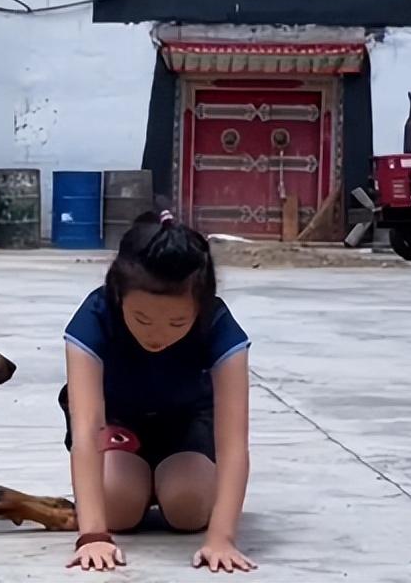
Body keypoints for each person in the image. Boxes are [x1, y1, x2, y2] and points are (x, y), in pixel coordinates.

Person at [59, 210, 256, 573]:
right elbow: (87, 428)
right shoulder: (95, 316)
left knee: (187, 508)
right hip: (119, 422)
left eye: (177, 322)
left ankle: (167, 480)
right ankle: (137, 481)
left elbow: (233, 443)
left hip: (187, 423)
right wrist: (93, 534)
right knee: (117, 508)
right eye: (142, 319)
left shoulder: (218, 324)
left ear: (201, 306)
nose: (157, 334)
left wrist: (221, 537)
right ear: (118, 295)